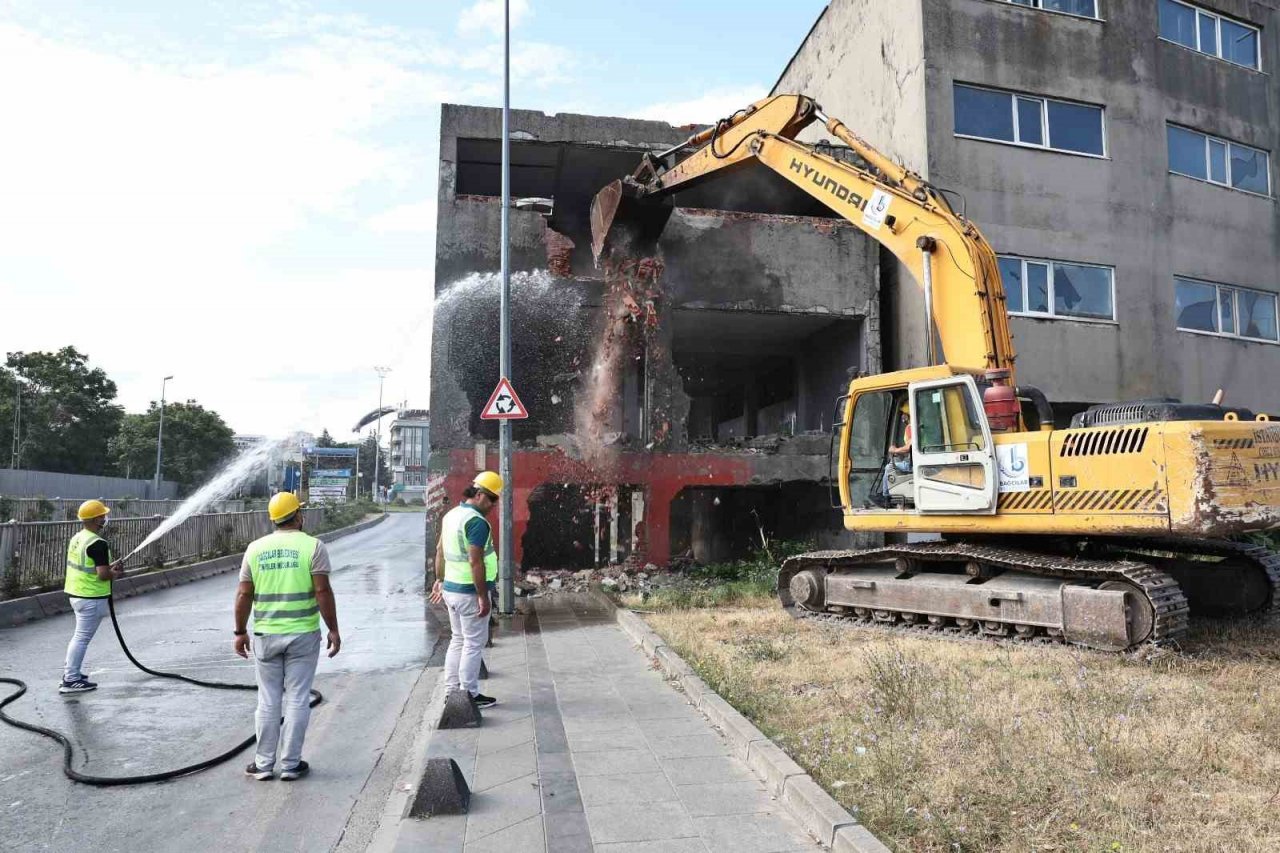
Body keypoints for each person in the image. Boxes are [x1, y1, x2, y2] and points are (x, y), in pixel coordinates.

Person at [233, 492, 341, 781]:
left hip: (266, 635)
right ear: (297, 516)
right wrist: (333, 628)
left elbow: (244, 593)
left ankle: (263, 764)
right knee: (297, 698)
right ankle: (291, 764)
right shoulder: (313, 547)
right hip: (303, 635)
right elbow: (322, 591)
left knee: (268, 700)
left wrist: (239, 631)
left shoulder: (255, 549)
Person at [430, 471, 501, 709]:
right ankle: (469, 694)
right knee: (473, 643)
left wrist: (439, 580)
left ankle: (452, 691)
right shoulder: (476, 522)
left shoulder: (452, 515)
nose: (493, 506)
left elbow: (439, 550)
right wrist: (483, 596)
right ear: (480, 494)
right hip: (470, 591)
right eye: (492, 500)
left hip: (451, 588)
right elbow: (475, 561)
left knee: (458, 639)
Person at [60, 500, 125, 694]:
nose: (105, 518)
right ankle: (71, 680)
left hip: (76, 593)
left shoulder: (79, 537)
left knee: (79, 637)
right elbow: (103, 575)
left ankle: (72, 674)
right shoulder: (98, 543)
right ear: (97, 519)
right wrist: (115, 573)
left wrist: (108, 566)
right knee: (81, 638)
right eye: (103, 515)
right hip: (91, 596)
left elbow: (88, 566)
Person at [882, 402, 914, 501]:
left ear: (908, 414)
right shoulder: (917, 426)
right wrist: (900, 451)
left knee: (889, 467)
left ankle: (886, 496)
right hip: (914, 461)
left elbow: (909, 447)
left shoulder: (910, 427)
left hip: (912, 465)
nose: (902, 417)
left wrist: (894, 449)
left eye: (904, 414)